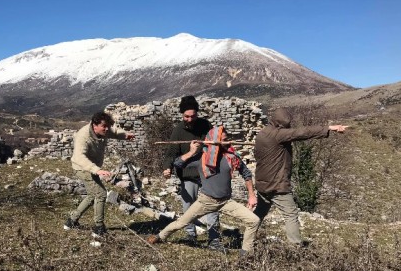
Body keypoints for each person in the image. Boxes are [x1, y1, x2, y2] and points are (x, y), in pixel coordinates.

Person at [149, 126, 261, 255]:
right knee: (181, 222)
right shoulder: (201, 157)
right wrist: (191, 152)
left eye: (227, 139)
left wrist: (252, 196)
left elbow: (246, 174)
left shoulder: (232, 156)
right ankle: (160, 236)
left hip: (226, 202)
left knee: (254, 221)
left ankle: (246, 255)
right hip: (205, 201)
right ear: (214, 141)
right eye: (223, 140)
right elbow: (178, 164)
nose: (227, 142)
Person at [254, 107, 348, 245]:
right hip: (276, 185)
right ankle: (295, 247)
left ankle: (247, 239)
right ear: (282, 124)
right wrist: (329, 128)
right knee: (291, 214)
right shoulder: (278, 134)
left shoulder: (262, 134)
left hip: (262, 183)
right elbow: (303, 132)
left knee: (260, 212)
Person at [162, 95, 223, 249]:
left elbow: (215, 146)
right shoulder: (178, 131)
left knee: (212, 204)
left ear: (197, 113)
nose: (189, 119)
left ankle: (214, 238)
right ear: (182, 115)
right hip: (188, 174)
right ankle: (191, 234)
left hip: (207, 173)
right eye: (186, 116)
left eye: (193, 116)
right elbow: (171, 153)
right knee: (188, 205)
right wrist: (167, 167)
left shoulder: (205, 125)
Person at [64, 111, 135, 235]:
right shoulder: (83, 136)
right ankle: (99, 228)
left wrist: (125, 135)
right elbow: (79, 157)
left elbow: (114, 132)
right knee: (101, 194)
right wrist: (97, 170)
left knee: (92, 195)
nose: (107, 129)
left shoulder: (104, 130)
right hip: (82, 168)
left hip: (93, 168)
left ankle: (71, 221)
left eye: (108, 126)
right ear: (94, 125)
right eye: (104, 126)